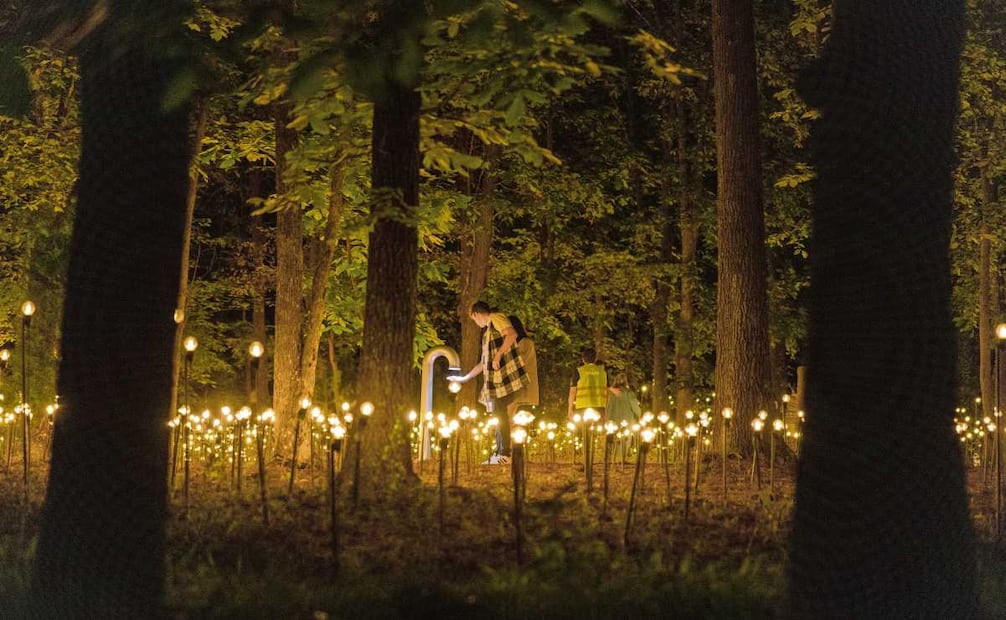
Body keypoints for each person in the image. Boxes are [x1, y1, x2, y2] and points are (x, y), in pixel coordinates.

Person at [453, 301, 527, 464]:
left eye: (474, 319)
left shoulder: (496, 318)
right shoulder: (487, 333)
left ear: (476, 314)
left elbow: (512, 334)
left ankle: (504, 454)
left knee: (499, 414)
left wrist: (499, 355)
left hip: (505, 379)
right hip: (494, 382)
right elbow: (483, 363)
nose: (475, 322)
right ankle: (500, 452)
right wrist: (465, 378)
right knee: (498, 414)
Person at [506, 315, 539, 422]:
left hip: (522, 387)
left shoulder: (525, 342)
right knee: (509, 416)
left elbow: (520, 361)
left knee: (511, 417)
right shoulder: (519, 342)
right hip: (517, 386)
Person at [568, 346, 608, 421]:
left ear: (583, 359)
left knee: (580, 429)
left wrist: (570, 408)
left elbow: (572, 392)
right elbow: (607, 391)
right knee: (600, 430)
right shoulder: (603, 372)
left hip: (582, 406)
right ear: (595, 359)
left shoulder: (579, 371)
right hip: (599, 406)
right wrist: (606, 408)